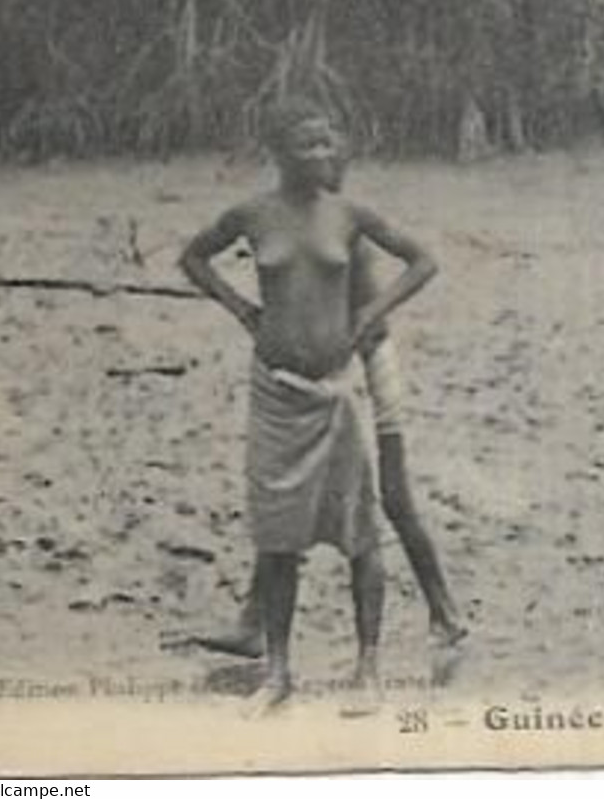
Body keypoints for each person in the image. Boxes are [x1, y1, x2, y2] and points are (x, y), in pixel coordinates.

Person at [179, 98, 438, 713]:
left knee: (360, 533)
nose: (322, 155)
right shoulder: (253, 214)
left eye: (328, 144)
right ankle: (279, 673)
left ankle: (368, 669)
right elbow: (193, 257)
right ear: (279, 152)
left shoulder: (347, 214)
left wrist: (369, 313)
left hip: (334, 389)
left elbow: (423, 260)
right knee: (276, 537)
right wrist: (242, 309)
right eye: (307, 145)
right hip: (274, 393)